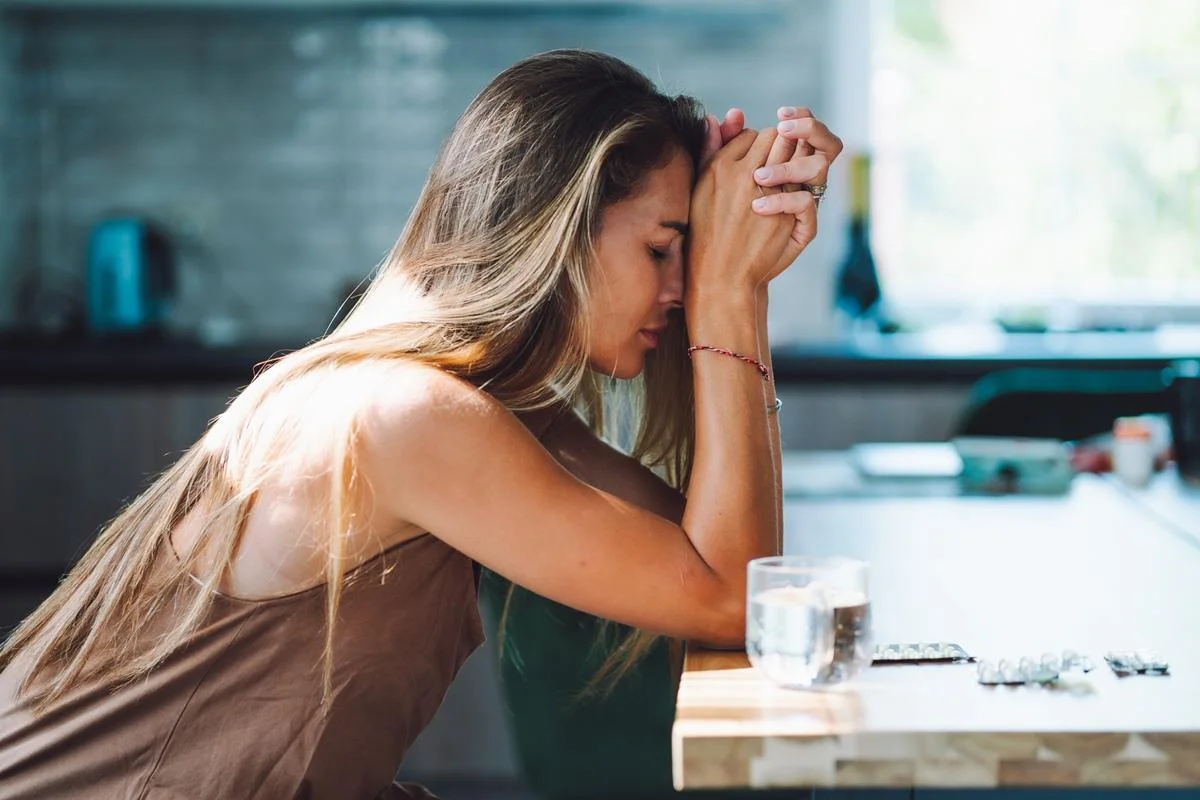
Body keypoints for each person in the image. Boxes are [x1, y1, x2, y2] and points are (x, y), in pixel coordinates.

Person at [0, 49, 841, 799]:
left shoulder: (485, 407)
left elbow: (731, 572)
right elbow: (731, 597)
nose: (680, 289)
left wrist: (738, 275)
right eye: (662, 249)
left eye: (691, 258)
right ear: (549, 230)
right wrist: (729, 293)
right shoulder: (408, 416)